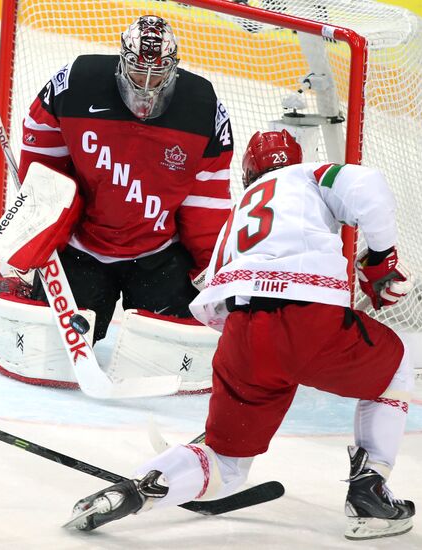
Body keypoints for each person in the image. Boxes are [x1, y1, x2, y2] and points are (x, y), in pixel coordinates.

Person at [67, 130, 415, 540]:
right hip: (309, 320)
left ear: (249, 172)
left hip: (242, 334)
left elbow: (211, 302)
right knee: (395, 368)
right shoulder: (308, 174)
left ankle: (136, 490)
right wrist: (381, 256)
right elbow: (368, 184)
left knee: (226, 463)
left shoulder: (236, 217)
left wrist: (262, 352)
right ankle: (370, 490)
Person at [17, 14, 233, 343]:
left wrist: (210, 269)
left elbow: (206, 201)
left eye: (157, 73)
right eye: (138, 69)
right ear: (122, 60)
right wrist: (38, 221)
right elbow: (42, 143)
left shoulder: (203, 109)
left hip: (158, 253)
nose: (146, 84)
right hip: (83, 246)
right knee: (54, 344)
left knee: (167, 350)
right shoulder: (77, 82)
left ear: (173, 67)